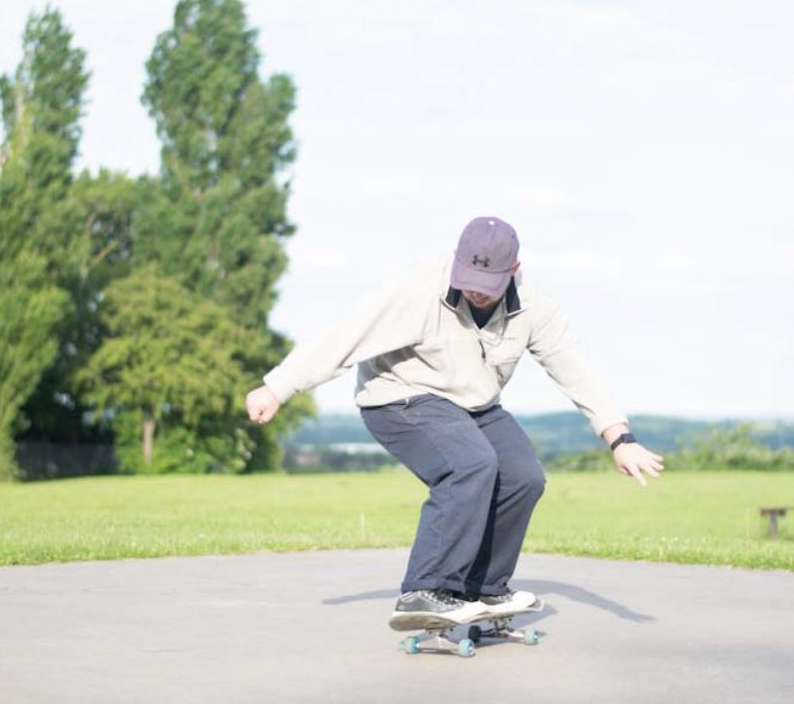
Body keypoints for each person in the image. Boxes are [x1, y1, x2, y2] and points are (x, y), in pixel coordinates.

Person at [246, 216, 663, 630]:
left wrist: (619, 438)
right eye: (468, 280)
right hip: (400, 397)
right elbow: (344, 335)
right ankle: (424, 591)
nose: (475, 293)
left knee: (523, 476)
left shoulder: (534, 306)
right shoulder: (416, 289)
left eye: (487, 286)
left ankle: (482, 585)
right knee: (470, 463)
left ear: (513, 271)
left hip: (474, 407)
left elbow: (573, 366)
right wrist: (278, 387)